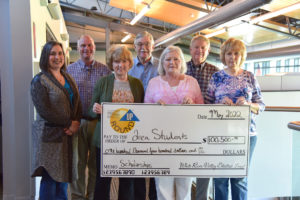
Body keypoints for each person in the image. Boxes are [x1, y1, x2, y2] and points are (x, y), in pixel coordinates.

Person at [205, 38, 265, 200]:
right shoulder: (216, 77)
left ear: (242, 56)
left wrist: (248, 104)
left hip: (246, 135)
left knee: (239, 179)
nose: (232, 57)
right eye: (229, 53)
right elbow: (206, 105)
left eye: (236, 53)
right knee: (220, 179)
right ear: (224, 56)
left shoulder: (250, 77)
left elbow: (261, 105)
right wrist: (220, 105)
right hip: (219, 135)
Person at [145, 46, 204, 200]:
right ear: (162, 63)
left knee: (184, 186)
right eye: (168, 59)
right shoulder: (153, 83)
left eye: (176, 59)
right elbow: (145, 112)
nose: (172, 62)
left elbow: (202, 111)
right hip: (160, 142)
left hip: (187, 142)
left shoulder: (192, 82)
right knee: (163, 187)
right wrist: (155, 109)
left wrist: (192, 104)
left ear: (182, 61)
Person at [89, 45, 144, 200]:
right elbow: (89, 111)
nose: (121, 65)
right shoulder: (103, 83)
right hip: (106, 141)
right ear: (111, 64)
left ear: (129, 63)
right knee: (103, 180)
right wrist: (95, 108)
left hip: (129, 141)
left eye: (124, 61)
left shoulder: (137, 84)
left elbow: (141, 112)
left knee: (127, 181)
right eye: (117, 61)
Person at [31, 41, 82, 200]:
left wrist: (77, 122)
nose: (57, 57)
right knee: (51, 178)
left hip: (68, 137)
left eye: (60, 53)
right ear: (46, 56)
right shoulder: (39, 81)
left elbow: (78, 103)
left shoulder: (67, 77)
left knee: (63, 179)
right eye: (53, 53)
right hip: (50, 137)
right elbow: (45, 110)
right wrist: (69, 124)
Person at [67, 35, 111, 200]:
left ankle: (92, 195)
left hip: (97, 123)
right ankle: (78, 196)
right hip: (77, 122)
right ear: (78, 49)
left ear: (94, 47)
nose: (87, 49)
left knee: (94, 164)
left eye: (90, 45)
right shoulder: (69, 71)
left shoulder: (104, 70)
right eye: (83, 46)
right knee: (77, 162)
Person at [186, 35, 219, 200]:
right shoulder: (181, 69)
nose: (199, 51)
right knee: (184, 164)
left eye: (203, 48)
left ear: (208, 50)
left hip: (207, 125)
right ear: (190, 49)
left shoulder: (216, 72)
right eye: (196, 47)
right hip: (184, 125)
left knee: (204, 168)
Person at [128, 31, 158, 200]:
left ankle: (154, 197)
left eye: (147, 44)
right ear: (134, 47)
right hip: (134, 122)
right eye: (139, 44)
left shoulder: (162, 66)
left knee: (155, 164)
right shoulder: (128, 67)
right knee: (138, 163)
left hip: (155, 122)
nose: (143, 47)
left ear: (152, 46)